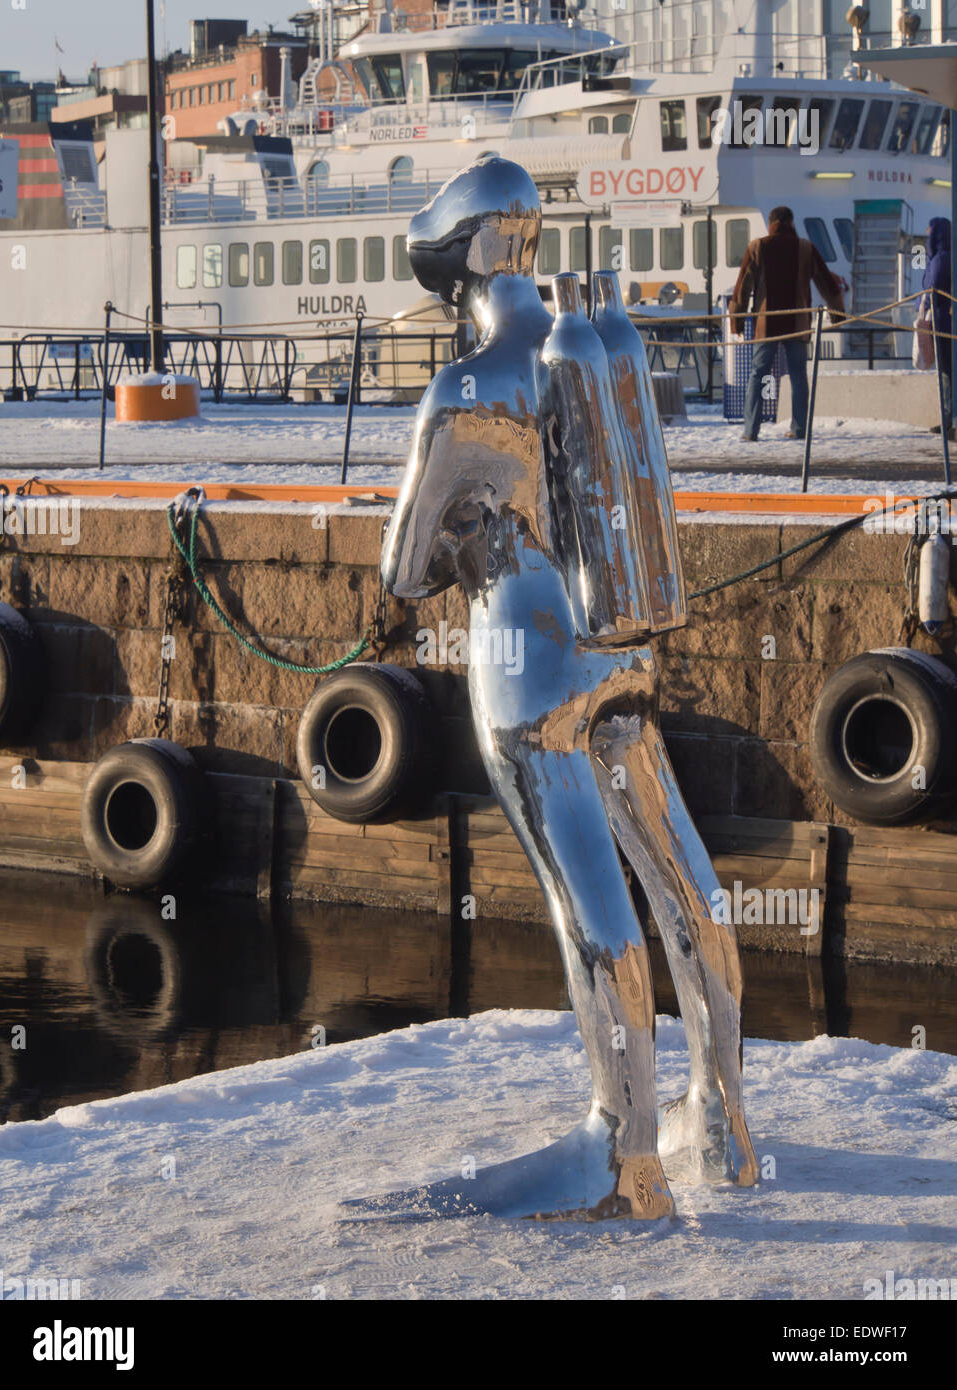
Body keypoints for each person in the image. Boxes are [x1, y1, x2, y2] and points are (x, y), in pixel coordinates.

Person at [362, 156, 757, 1222]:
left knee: (587, 900)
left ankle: (619, 1157)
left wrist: (464, 533)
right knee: (682, 878)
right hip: (620, 644)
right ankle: (721, 1124)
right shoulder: (592, 346)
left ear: (459, 271)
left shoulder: (468, 384)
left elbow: (402, 570)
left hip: (525, 669)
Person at [730, 206, 846, 441]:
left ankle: (751, 430)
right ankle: (800, 428)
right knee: (798, 377)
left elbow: (743, 288)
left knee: (758, 375)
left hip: (766, 326)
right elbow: (827, 284)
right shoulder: (805, 248)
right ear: (791, 223)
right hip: (797, 324)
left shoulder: (757, 247)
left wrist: (737, 322)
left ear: (771, 223)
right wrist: (837, 315)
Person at [923, 217, 953, 435]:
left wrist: (920, 304)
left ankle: (948, 419)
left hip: (943, 322)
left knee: (945, 373)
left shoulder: (940, 259)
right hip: (948, 320)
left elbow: (930, 289)